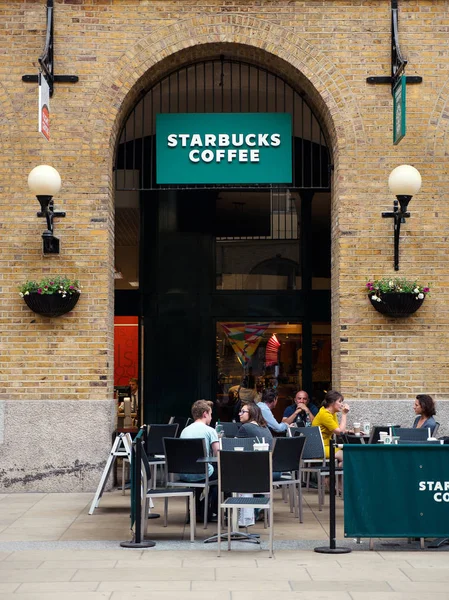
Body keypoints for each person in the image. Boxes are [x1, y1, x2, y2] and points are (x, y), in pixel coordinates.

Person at [180, 399, 219, 520]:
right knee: (223, 474)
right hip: (202, 473)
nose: (211, 418)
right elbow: (218, 453)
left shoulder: (184, 431)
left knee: (202, 472)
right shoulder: (210, 430)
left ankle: (198, 509)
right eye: (211, 414)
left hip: (184, 474)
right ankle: (214, 511)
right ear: (205, 414)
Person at [312, 390, 349, 466]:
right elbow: (339, 432)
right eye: (340, 402)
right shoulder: (325, 414)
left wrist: (350, 431)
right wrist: (344, 414)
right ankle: (335, 477)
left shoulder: (331, 413)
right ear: (332, 402)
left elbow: (338, 428)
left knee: (347, 455)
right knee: (348, 457)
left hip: (326, 446)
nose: (342, 405)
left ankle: (336, 476)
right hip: (319, 448)